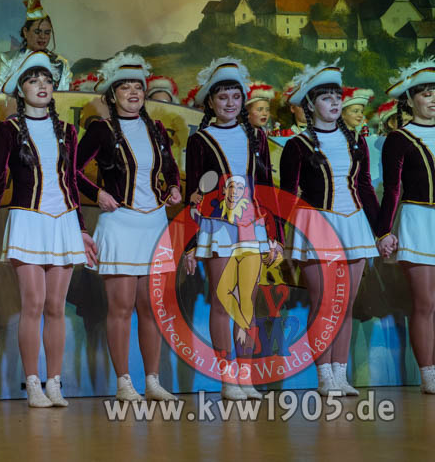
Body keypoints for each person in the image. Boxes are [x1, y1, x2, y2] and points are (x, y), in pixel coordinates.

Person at [0, 51, 96, 408]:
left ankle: (54, 383)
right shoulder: (9, 130)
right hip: (28, 221)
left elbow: (71, 183)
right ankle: (32, 384)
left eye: (46, 80)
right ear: (20, 89)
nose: (41, 86)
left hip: (64, 221)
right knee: (33, 304)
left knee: (56, 307)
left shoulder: (67, 131)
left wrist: (82, 230)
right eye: (33, 80)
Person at [77, 52, 182, 401]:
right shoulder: (101, 130)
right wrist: (97, 193)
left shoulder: (156, 129)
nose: (133, 92)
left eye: (138, 86)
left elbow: (170, 166)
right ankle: (124, 383)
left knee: (151, 308)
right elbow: (70, 170)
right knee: (120, 307)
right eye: (125, 87)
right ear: (112, 94)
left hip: (154, 224)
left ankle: (152, 382)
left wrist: (173, 187)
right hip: (120, 223)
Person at [182, 57, 281, 401]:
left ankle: (246, 377)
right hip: (217, 227)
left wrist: (275, 236)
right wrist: (190, 244)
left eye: (236, 97)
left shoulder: (256, 136)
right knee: (222, 300)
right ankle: (227, 380)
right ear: (210, 101)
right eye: (222, 97)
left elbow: (267, 187)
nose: (230, 103)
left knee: (247, 302)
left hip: (252, 226)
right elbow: (192, 194)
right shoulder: (201, 140)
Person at [280, 61, 379, 396]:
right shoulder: (297, 146)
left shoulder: (355, 142)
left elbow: (365, 187)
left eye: (337, 96)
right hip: (316, 225)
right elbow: (286, 196)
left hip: (354, 223)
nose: (335, 102)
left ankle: (340, 374)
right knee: (324, 303)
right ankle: (324, 377)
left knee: (346, 305)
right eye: (326, 97)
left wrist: (381, 230)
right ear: (310, 105)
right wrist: (281, 238)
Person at [377, 58, 435, 393]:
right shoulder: (399, 139)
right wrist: (384, 231)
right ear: (411, 100)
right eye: (426, 94)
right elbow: (392, 189)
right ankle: (429, 373)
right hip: (418, 222)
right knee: (425, 303)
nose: (433, 100)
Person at [0, 0, 72, 92]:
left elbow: (65, 96)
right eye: (37, 32)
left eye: (47, 33)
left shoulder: (61, 63)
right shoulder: (7, 59)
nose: (42, 37)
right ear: (25, 32)